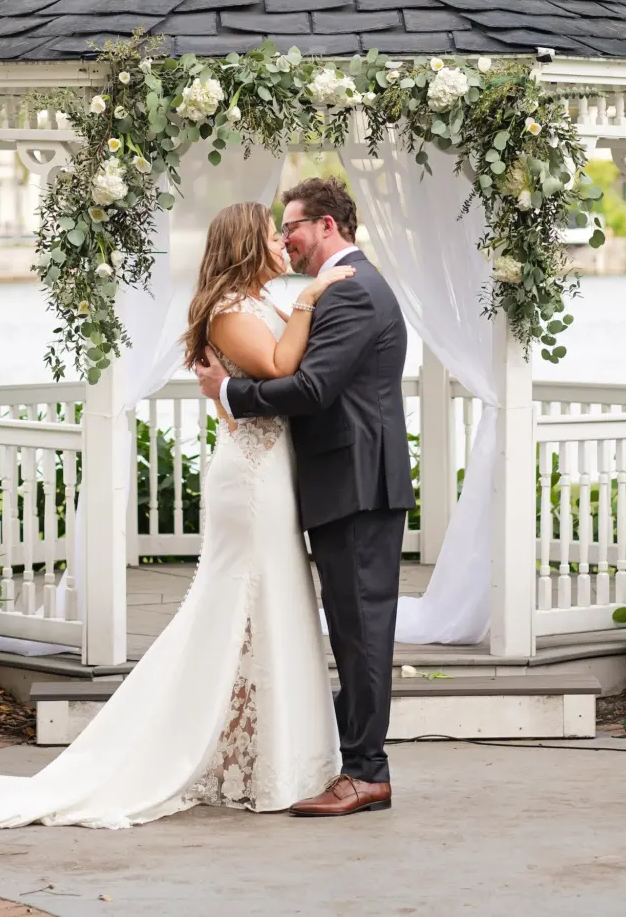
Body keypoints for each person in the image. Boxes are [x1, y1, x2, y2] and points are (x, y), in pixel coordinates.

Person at [0, 201, 349, 845]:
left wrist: (299, 305)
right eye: (273, 233)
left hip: (273, 465)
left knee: (271, 604)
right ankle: (211, 749)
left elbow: (291, 374)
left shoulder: (259, 303)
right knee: (242, 601)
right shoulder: (229, 310)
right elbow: (281, 369)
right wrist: (310, 296)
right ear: (247, 241)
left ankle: (262, 752)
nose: (284, 242)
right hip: (251, 479)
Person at [195, 176, 413, 817]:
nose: (284, 236)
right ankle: (355, 765)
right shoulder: (338, 290)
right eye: (278, 226)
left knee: (363, 633)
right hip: (342, 481)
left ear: (326, 226)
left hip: (355, 484)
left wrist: (229, 395)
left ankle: (367, 773)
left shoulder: (348, 291)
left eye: (291, 224)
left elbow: (312, 389)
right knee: (352, 629)